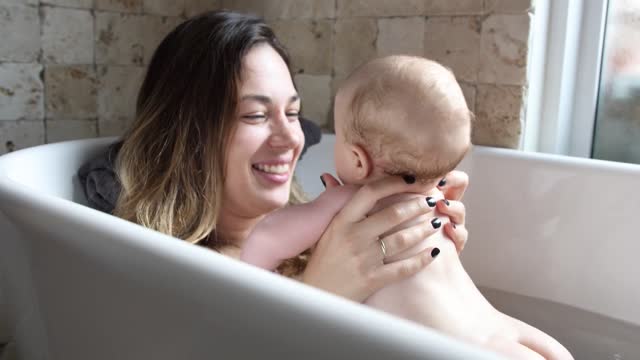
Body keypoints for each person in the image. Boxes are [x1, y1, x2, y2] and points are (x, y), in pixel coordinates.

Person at [75, 10, 472, 304]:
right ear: (187, 136)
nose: (291, 139)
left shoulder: (323, 230)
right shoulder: (165, 275)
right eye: (256, 115)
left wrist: (427, 264)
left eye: (294, 113)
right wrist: (317, 294)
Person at [241, 55, 574, 360]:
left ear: (358, 159)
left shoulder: (349, 199)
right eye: (256, 115)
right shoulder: (434, 203)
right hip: (505, 333)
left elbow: (268, 238)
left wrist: (250, 269)